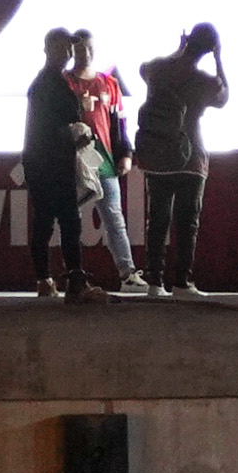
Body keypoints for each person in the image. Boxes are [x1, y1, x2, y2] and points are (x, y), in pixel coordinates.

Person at [131, 24, 224, 294]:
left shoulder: (158, 69)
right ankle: (182, 281)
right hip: (191, 158)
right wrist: (219, 59)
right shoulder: (205, 82)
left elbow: (142, 69)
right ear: (210, 49)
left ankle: (154, 281)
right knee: (187, 223)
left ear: (188, 40)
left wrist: (178, 51)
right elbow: (223, 97)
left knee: (157, 221)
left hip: (158, 158)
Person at [24, 26, 102, 298]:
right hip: (48, 162)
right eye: (61, 47)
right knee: (63, 221)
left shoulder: (54, 80)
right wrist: (73, 135)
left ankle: (51, 279)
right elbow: (49, 126)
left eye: (69, 48)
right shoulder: (48, 83)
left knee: (55, 221)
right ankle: (63, 279)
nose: (68, 53)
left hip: (49, 160)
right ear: (47, 49)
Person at [70, 29, 145, 292]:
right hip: (75, 164)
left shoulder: (108, 83)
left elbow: (119, 123)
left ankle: (128, 274)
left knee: (114, 218)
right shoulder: (65, 82)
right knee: (72, 221)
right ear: (72, 51)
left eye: (89, 48)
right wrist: (78, 107)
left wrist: (125, 153)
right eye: (80, 49)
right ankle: (74, 276)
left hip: (104, 162)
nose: (86, 54)